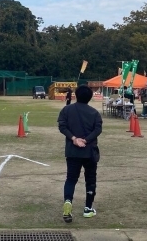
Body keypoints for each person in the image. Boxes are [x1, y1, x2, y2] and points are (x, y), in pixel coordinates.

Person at [57, 85, 103, 223]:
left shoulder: (67, 110)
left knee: (71, 179)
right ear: (90, 97)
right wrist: (86, 140)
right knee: (90, 179)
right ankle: (88, 208)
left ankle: (68, 201)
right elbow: (98, 130)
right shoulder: (94, 113)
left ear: (76, 95)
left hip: (72, 151)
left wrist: (74, 139)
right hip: (90, 151)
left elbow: (62, 126)